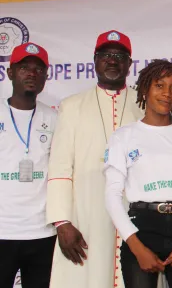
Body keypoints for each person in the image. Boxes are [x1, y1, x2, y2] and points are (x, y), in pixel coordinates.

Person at [46, 30, 144, 288]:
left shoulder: (144, 104)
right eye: (106, 55)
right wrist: (62, 222)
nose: (112, 61)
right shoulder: (72, 106)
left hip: (135, 216)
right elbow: (60, 168)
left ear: (129, 64)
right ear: (95, 60)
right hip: (85, 216)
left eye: (120, 56)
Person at [104, 60, 172, 288]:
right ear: (144, 89)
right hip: (142, 229)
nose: (167, 94)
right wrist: (136, 246)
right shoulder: (124, 136)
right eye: (159, 86)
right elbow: (111, 196)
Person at [0, 43, 57, 288]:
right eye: (24, 68)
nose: (32, 73)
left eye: (38, 69)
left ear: (46, 76)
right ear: (10, 72)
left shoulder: (55, 118)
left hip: (42, 233)